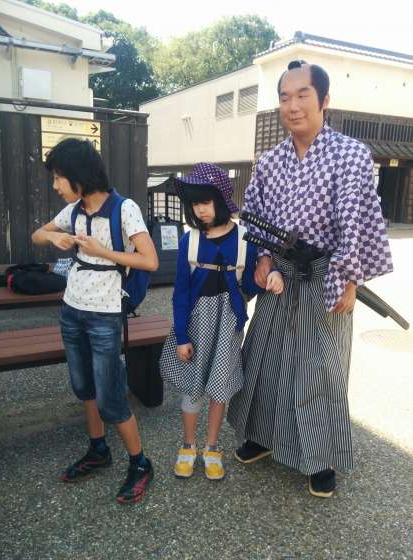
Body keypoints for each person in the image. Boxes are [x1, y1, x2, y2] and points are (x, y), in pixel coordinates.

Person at [227, 61, 393, 497]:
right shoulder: (270, 161)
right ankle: (261, 435)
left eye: (303, 95)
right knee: (265, 357)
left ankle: (320, 458)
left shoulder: (350, 154)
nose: (293, 105)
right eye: (285, 97)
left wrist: (350, 280)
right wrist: (263, 260)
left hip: (327, 273)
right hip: (279, 274)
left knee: (319, 368)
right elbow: (254, 216)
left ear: (324, 101)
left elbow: (358, 223)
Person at [32, 138, 158, 504]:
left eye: (59, 177)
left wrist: (103, 251)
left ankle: (140, 463)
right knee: (84, 387)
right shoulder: (73, 210)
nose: (56, 185)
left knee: (111, 395)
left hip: (105, 313)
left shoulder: (124, 209)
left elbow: (149, 260)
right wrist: (53, 237)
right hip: (72, 310)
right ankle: (98, 449)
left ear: (79, 175)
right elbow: (36, 235)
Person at [159, 163, 283, 481]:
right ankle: (188, 444)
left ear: (222, 199)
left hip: (229, 324)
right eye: (194, 204)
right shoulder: (189, 240)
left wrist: (270, 275)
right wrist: (182, 336)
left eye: (206, 201)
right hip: (196, 324)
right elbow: (181, 292)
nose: (200, 210)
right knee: (193, 386)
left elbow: (250, 284)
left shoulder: (245, 239)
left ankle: (212, 446)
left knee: (219, 387)